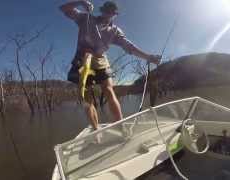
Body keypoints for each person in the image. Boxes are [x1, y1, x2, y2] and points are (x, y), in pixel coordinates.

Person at [60, 0, 161, 131]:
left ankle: (121, 126)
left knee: (108, 90)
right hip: (82, 60)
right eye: (106, 11)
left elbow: (129, 47)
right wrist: (80, 2)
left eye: (112, 13)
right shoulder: (86, 18)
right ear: (102, 11)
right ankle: (96, 130)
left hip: (101, 60)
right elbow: (64, 9)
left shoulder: (115, 31)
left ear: (115, 15)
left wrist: (149, 57)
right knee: (87, 99)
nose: (108, 15)